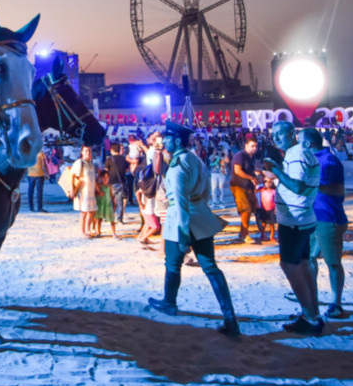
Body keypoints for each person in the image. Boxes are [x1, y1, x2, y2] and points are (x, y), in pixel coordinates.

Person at [147, 122, 238, 336]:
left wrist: (183, 235)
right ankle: (229, 316)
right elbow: (205, 190)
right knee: (211, 268)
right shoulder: (194, 158)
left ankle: (169, 302)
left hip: (181, 221)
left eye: (168, 138)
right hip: (201, 217)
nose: (164, 141)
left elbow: (180, 203)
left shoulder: (177, 166)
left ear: (178, 140)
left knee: (172, 264)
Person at [260, 122, 323, 335]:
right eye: (273, 134)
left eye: (280, 134)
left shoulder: (296, 154)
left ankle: (309, 316)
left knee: (289, 265)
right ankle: (313, 314)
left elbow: (297, 186)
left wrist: (276, 170)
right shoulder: (299, 153)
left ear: (291, 133)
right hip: (303, 217)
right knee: (304, 265)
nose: (276, 138)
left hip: (294, 220)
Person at [308, 130, 349, 318]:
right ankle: (311, 296)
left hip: (328, 217)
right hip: (311, 217)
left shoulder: (328, 161)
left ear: (309, 144)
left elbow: (337, 191)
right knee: (309, 259)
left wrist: (308, 184)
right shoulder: (312, 159)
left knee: (332, 262)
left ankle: (336, 302)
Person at [229, 137, 260, 243]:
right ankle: (244, 234)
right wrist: (251, 178)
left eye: (256, 146)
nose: (254, 148)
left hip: (247, 187)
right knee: (245, 209)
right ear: (246, 146)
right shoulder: (240, 155)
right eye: (252, 146)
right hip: (238, 185)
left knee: (249, 210)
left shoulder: (250, 157)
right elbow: (237, 171)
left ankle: (243, 233)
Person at [70, 145, 98, 238]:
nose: (88, 153)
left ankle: (88, 228)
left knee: (92, 211)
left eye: (89, 151)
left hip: (91, 191)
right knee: (83, 212)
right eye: (86, 151)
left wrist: (97, 189)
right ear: (82, 152)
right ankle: (82, 231)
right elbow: (72, 175)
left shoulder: (92, 163)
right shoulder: (79, 163)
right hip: (82, 191)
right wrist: (72, 188)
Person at [105, 142, 128, 223]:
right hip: (121, 182)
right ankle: (119, 219)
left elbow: (106, 171)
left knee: (110, 201)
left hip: (111, 182)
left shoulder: (109, 159)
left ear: (112, 150)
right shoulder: (123, 159)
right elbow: (127, 170)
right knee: (120, 202)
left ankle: (109, 217)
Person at [94, 169, 117, 238]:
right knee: (99, 219)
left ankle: (114, 233)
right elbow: (95, 193)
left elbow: (111, 195)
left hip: (108, 204)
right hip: (100, 204)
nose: (105, 179)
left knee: (112, 219)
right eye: (104, 177)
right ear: (101, 178)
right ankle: (98, 232)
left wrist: (114, 204)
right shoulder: (99, 185)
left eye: (107, 177)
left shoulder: (109, 186)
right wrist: (99, 193)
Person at [26, 148, 46, 212]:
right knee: (39, 191)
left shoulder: (28, 152)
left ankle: (31, 207)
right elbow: (43, 164)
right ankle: (39, 208)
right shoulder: (40, 152)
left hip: (30, 174)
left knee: (30, 191)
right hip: (39, 174)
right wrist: (46, 173)